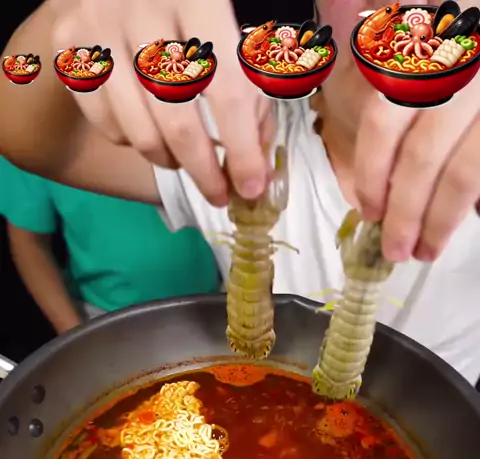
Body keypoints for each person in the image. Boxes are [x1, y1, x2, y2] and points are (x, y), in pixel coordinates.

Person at [0, 0, 479, 383]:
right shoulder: (234, 129)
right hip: (258, 380)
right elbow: (25, 134)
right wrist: (68, 9)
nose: (405, 12)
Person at [0, 156, 220, 333]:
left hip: (214, 299)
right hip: (103, 314)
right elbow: (29, 243)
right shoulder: (28, 136)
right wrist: (74, 334)